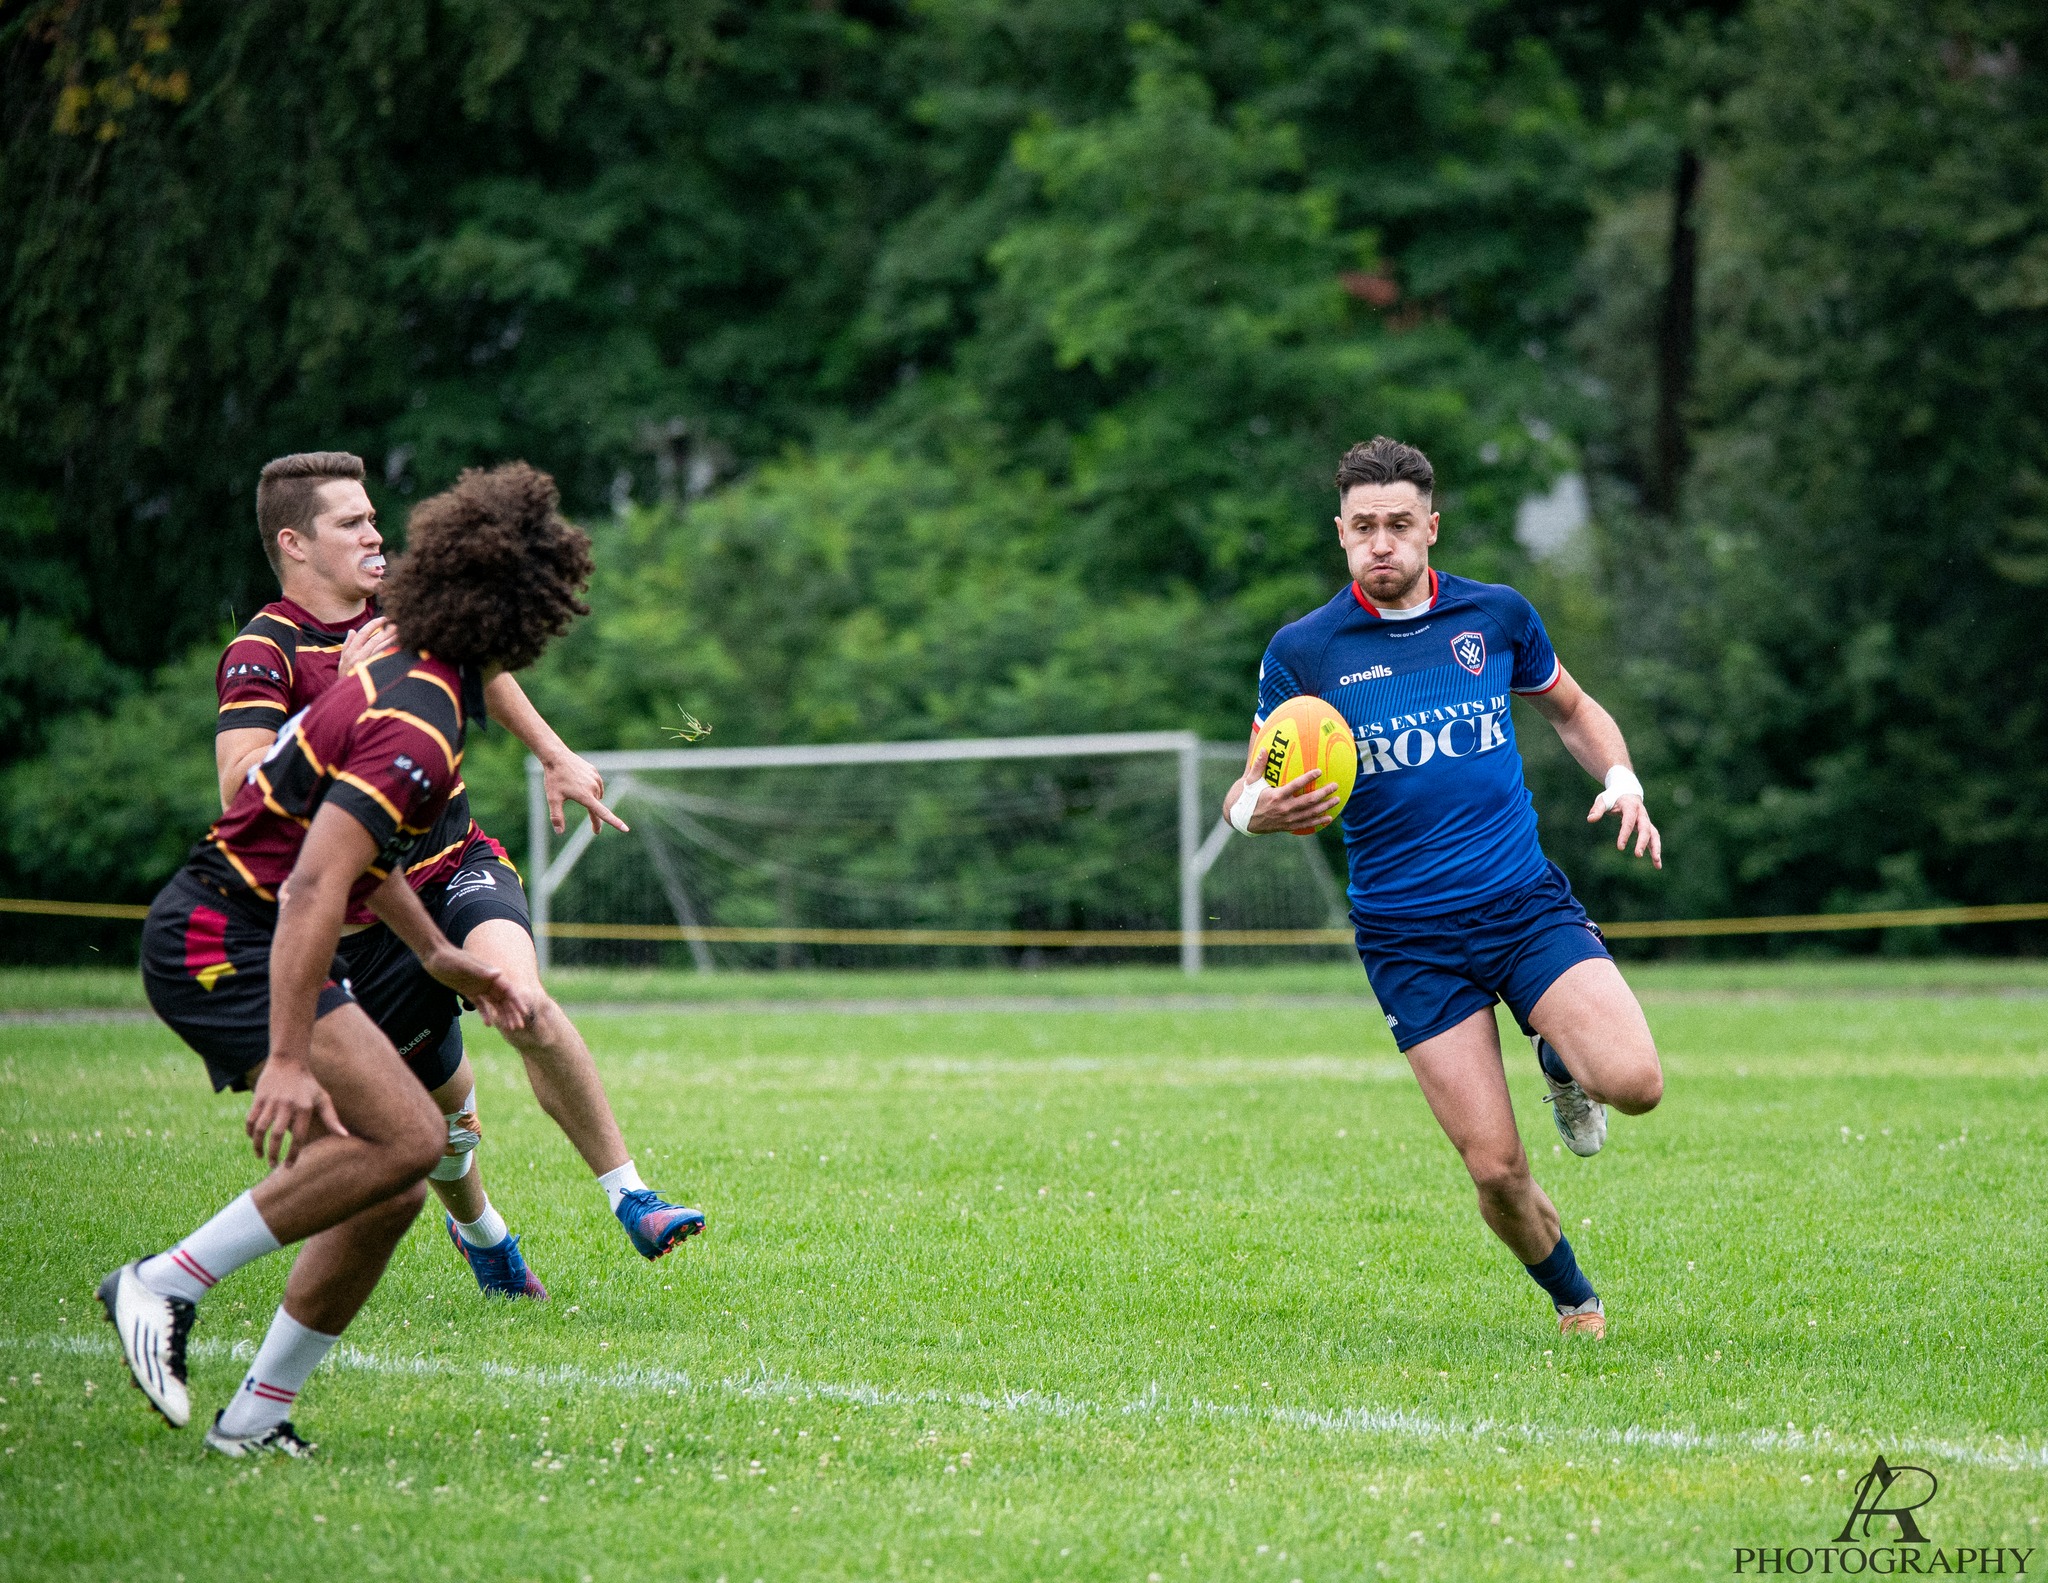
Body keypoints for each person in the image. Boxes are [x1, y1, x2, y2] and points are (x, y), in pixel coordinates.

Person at [102, 462, 590, 1454]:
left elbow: (354, 864)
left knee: (397, 1174)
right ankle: (163, 1281)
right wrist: (285, 1056)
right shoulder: (416, 715)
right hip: (220, 935)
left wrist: (437, 952)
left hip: (259, 925)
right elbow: (315, 884)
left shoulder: (419, 686)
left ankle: (256, 1417)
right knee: (412, 1139)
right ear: (515, 618)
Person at [212, 452, 703, 1296]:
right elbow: (241, 785)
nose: (375, 532)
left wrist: (555, 754)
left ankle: (632, 1195)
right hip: (369, 919)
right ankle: (484, 1234)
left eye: (373, 516)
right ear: (294, 543)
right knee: (443, 1120)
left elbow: (487, 670)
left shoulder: (405, 606)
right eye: (351, 522)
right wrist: (350, 692)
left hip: (456, 863)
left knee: (524, 1000)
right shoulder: (266, 649)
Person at [1222, 436, 1665, 1339]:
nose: (1380, 543)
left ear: (1430, 526)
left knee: (1637, 1082)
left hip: (1521, 904)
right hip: (1408, 938)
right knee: (1497, 1170)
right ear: (1340, 533)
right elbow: (1249, 782)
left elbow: (1574, 711)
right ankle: (1576, 1301)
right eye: (1361, 527)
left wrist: (1621, 778)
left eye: (1397, 524)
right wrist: (1251, 814)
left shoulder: (1494, 617)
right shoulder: (1304, 652)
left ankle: (1558, 1061)